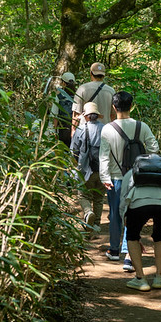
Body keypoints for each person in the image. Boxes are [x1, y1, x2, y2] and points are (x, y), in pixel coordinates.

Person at [99, 91, 159, 263]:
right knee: (133, 215)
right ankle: (129, 254)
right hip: (137, 178)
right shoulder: (143, 126)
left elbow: (103, 156)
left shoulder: (107, 129)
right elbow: (154, 149)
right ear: (131, 106)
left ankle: (115, 250)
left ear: (113, 107)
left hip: (116, 179)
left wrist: (105, 177)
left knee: (115, 215)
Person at [119, 162, 161, 291]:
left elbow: (123, 207)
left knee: (132, 236)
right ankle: (159, 278)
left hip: (138, 204)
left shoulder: (130, 174)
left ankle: (140, 279)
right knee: (160, 235)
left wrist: (134, 238)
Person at [70, 101, 105, 236]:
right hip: (101, 169)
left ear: (86, 116)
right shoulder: (105, 129)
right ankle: (96, 224)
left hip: (85, 170)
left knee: (83, 194)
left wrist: (76, 167)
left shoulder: (80, 130)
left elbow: (73, 151)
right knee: (99, 197)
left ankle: (88, 212)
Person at [72, 62, 116, 134]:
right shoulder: (111, 91)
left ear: (91, 73)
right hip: (104, 131)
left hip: (85, 132)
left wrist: (73, 131)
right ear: (103, 75)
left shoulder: (82, 89)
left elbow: (76, 114)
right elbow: (113, 114)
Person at [50, 72, 76, 148]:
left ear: (63, 83)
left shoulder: (59, 96)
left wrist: (54, 132)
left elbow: (55, 115)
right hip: (75, 130)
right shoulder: (77, 95)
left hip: (63, 130)